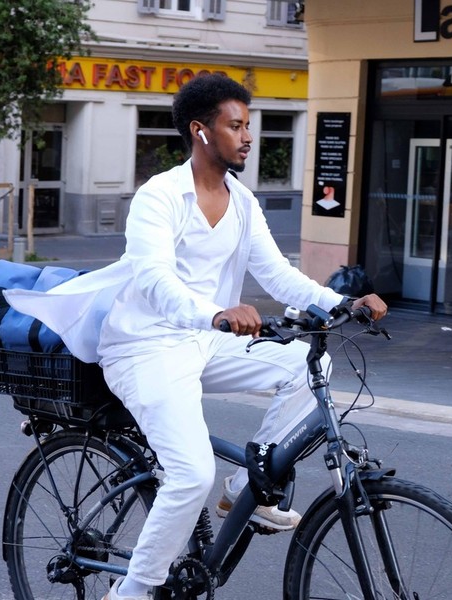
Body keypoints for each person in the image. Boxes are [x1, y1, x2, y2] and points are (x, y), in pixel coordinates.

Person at [92, 74, 387, 600]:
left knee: (309, 366)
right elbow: (154, 280)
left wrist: (341, 303)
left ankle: (247, 487)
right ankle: (131, 593)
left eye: (248, 125)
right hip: (145, 345)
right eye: (236, 125)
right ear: (201, 130)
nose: (248, 136)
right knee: (188, 475)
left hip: (207, 339)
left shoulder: (243, 202)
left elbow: (279, 276)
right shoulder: (159, 197)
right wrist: (216, 314)